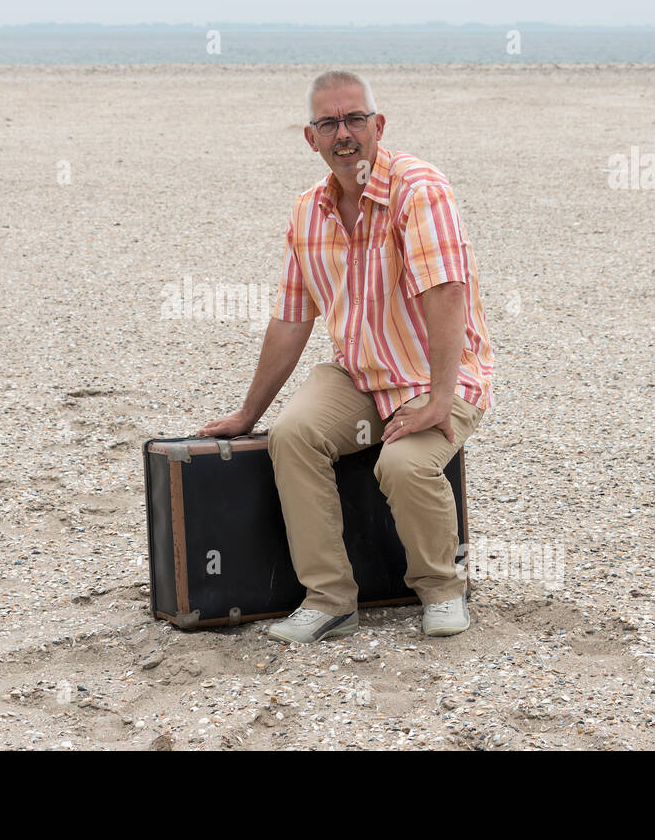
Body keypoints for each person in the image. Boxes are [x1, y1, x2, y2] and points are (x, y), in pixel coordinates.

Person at [197, 70, 495, 644]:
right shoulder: (307, 210)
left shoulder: (419, 189)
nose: (344, 133)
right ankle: (330, 599)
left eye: (355, 118)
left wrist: (437, 400)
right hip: (359, 373)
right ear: (311, 138)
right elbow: (290, 319)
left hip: (437, 372)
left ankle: (440, 589)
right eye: (329, 123)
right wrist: (246, 415)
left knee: (403, 465)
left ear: (378, 126)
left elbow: (447, 294)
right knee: (291, 435)